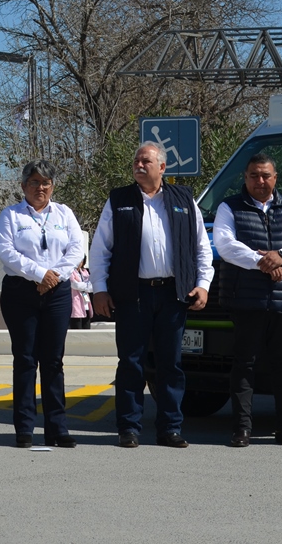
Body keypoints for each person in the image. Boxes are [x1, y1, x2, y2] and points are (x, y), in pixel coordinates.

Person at [89, 141, 213, 449]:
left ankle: (170, 427)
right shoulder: (119, 200)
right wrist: (100, 290)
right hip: (134, 296)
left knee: (171, 364)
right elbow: (100, 250)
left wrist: (204, 285)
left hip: (173, 294)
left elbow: (201, 248)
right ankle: (128, 428)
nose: (139, 165)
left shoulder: (184, 198)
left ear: (162, 168)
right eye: (136, 161)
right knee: (131, 363)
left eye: (145, 161)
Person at [213, 153, 282, 448]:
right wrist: (264, 261)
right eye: (254, 175)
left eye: (266, 175)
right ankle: (242, 429)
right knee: (245, 365)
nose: (260, 181)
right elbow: (226, 244)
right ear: (245, 177)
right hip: (246, 300)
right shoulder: (229, 207)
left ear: (275, 178)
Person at [0, 160, 85, 449]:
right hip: (21, 293)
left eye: (45, 183)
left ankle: (57, 428)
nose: (40, 188)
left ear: (52, 186)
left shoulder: (64, 213)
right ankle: (24, 427)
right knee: (25, 360)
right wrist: (38, 274)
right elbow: (7, 252)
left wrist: (53, 276)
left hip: (57, 292)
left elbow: (76, 249)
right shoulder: (11, 215)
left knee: (53, 361)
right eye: (34, 182)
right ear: (23, 186)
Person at [70, 259, 94, 330]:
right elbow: (74, 285)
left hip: (86, 304)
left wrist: (83, 286)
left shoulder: (85, 272)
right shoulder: (70, 272)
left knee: (86, 329)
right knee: (77, 328)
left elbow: (92, 286)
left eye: (81, 261)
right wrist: (86, 286)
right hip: (76, 305)